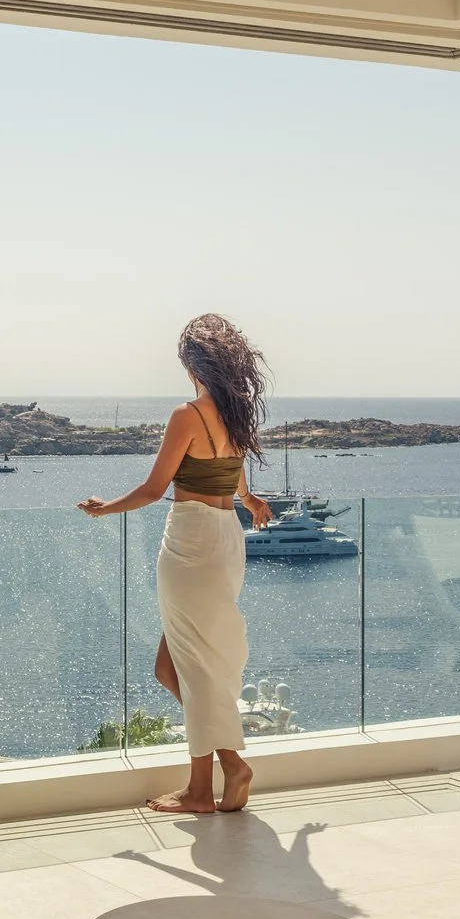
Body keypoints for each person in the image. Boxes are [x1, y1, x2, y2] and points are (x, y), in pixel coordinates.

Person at [78, 314, 275, 814]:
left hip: (190, 542)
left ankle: (203, 787)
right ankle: (227, 765)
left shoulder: (187, 414)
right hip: (228, 539)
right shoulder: (235, 415)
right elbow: (233, 475)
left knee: (189, 665)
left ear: (192, 365)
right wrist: (250, 501)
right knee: (175, 667)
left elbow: (152, 490)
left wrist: (104, 510)